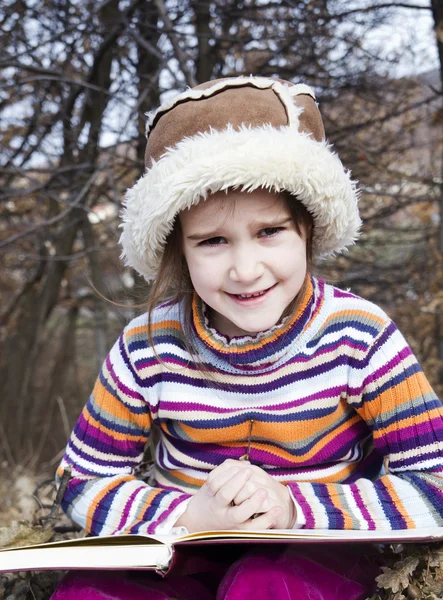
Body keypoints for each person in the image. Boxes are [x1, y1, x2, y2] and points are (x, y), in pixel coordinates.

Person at [51, 76, 443, 600]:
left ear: (309, 229)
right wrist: (186, 514)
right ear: (179, 251)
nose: (244, 269)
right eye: (212, 241)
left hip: (316, 550)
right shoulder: (148, 346)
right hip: (184, 545)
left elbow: (436, 481)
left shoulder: (358, 335)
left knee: (265, 586)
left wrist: (295, 508)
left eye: (269, 232)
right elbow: (80, 480)